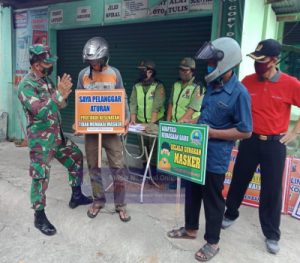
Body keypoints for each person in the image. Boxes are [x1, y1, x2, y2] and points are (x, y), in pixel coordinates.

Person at [167, 37, 252, 262]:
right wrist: (189, 125)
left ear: (227, 63)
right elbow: (204, 120)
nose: (209, 66)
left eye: (213, 62)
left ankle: (212, 242)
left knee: (213, 199)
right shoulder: (210, 88)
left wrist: (212, 133)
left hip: (216, 157)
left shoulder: (239, 93)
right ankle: (190, 228)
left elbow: (245, 131)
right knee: (192, 192)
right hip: (196, 152)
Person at [222, 38, 300, 254]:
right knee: (238, 180)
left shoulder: (290, 83)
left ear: (274, 60)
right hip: (249, 141)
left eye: (262, 60)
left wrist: (294, 132)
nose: (257, 64)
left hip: (275, 145)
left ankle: (272, 234)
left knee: (272, 191)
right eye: (255, 59)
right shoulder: (247, 81)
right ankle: (230, 213)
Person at [18, 44, 92, 236]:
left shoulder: (47, 81)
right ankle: (39, 216)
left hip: (57, 136)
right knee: (40, 176)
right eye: (45, 62)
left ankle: (76, 195)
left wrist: (63, 95)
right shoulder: (26, 86)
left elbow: (58, 104)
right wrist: (58, 95)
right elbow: (41, 111)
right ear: (35, 64)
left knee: (76, 156)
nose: (49, 65)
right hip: (41, 141)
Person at [77, 36, 131, 222]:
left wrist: (126, 118)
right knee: (94, 166)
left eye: (97, 60)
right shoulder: (83, 74)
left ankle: (121, 205)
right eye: (90, 61)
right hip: (91, 131)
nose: (94, 64)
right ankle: (98, 200)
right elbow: (79, 101)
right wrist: (78, 123)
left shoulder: (115, 73)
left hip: (111, 130)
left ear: (105, 57)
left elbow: (122, 97)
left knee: (117, 168)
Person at [166, 57, 202, 124]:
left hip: (188, 125)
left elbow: (192, 109)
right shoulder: (176, 85)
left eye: (185, 70)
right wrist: (168, 122)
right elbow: (171, 103)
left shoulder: (198, 87)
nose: (182, 72)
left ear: (192, 71)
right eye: (181, 69)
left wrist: (178, 124)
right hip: (174, 124)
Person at [129, 60, 165, 124]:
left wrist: (151, 124)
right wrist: (133, 120)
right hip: (140, 122)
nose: (141, 72)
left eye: (143, 70)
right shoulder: (136, 85)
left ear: (151, 72)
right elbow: (133, 103)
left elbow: (156, 106)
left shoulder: (158, 86)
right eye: (140, 70)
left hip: (156, 121)